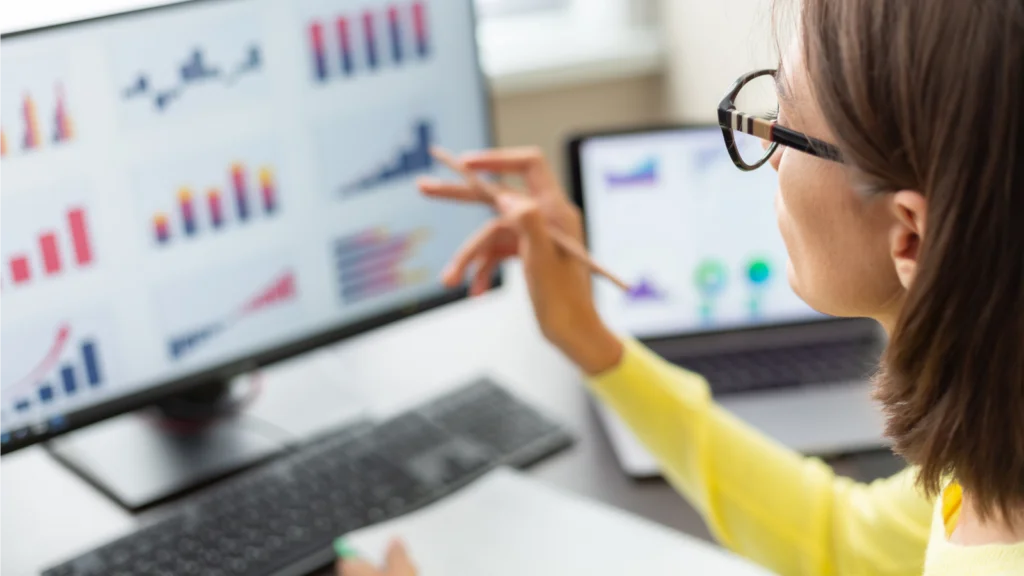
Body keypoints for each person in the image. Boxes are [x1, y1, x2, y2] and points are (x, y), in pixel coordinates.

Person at [337, 0, 1024, 574]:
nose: (773, 159)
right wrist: (592, 340)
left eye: (785, 126)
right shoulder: (989, 458)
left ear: (909, 236)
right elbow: (842, 541)